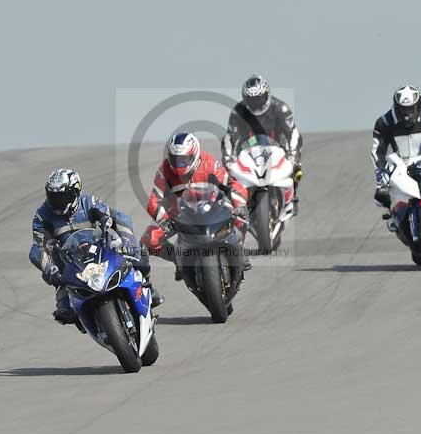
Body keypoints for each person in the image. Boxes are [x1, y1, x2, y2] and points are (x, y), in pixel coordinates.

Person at [29, 168, 163, 326]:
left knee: (138, 254)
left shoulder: (88, 201)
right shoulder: (42, 216)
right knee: (64, 309)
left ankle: (147, 287)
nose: (56, 201)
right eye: (52, 196)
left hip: (100, 249)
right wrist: (50, 269)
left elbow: (118, 217)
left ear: (74, 192)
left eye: (61, 196)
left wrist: (127, 239)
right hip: (69, 263)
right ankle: (82, 315)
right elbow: (37, 248)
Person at [141, 132, 250, 280]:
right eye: (176, 159)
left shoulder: (209, 163)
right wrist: (164, 220)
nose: (180, 165)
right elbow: (154, 200)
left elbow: (232, 184)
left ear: (195, 154)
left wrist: (240, 205)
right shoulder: (164, 170)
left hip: (213, 205)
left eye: (185, 159)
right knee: (149, 239)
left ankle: (239, 251)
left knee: (241, 217)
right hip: (179, 212)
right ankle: (179, 260)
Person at [221, 75, 303, 214]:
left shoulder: (280, 108)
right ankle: (238, 203)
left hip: (278, 146)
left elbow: (292, 133)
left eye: (259, 98)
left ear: (267, 94)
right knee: (229, 175)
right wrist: (228, 158)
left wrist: (293, 155)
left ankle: (293, 197)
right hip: (248, 149)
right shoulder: (238, 111)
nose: (256, 103)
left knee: (297, 168)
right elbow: (230, 136)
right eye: (251, 100)